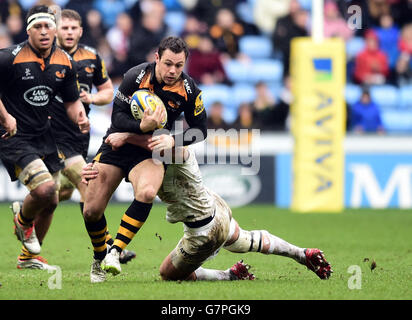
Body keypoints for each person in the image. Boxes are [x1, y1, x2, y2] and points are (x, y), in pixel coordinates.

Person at [82, 138, 333, 282]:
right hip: (215, 206)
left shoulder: (171, 151)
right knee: (241, 239)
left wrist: (126, 135)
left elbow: (155, 150)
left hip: (202, 231)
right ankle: (301, 253)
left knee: (167, 274)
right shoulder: (163, 154)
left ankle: (229, 276)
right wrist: (95, 163)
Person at [82, 36, 207, 283]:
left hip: (150, 150)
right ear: (157, 58)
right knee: (91, 211)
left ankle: (114, 252)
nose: (173, 71)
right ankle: (100, 256)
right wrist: (142, 125)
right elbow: (116, 117)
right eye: (168, 63)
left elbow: (201, 129)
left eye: (179, 65)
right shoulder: (135, 77)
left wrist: (173, 141)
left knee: (148, 192)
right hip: (117, 144)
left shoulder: (189, 89)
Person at [0, 5, 90, 270]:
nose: (43, 32)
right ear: (28, 30)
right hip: (13, 135)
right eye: (37, 27)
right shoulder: (9, 58)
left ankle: (28, 258)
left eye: (47, 26)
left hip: (44, 134)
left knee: (51, 200)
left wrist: (81, 117)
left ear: (55, 29)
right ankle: (22, 221)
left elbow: (72, 103)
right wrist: (5, 116)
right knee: (45, 189)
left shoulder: (65, 61)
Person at [45, 9, 135, 265]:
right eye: (64, 28)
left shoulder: (92, 57)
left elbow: (108, 91)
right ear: (56, 30)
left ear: (81, 31)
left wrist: (92, 98)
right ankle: (108, 248)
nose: (69, 32)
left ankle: (25, 218)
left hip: (78, 136)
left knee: (55, 193)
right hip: (52, 134)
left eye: (74, 28)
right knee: (88, 184)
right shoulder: (45, 57)